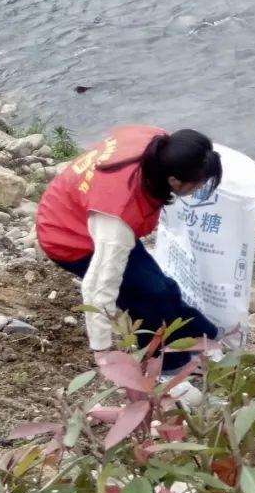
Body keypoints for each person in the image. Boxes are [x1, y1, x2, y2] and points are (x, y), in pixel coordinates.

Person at [35, 125, 222, 397]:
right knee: (147, 300)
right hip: (69, 237)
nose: (202, 188)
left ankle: (202, 337)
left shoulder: (153, 140)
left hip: (82, 208)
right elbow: (98, 288)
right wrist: (103, 353)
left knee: (162, 288)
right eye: (199, 184)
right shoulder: (118, 217)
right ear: (173, 181)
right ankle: (165, 368)